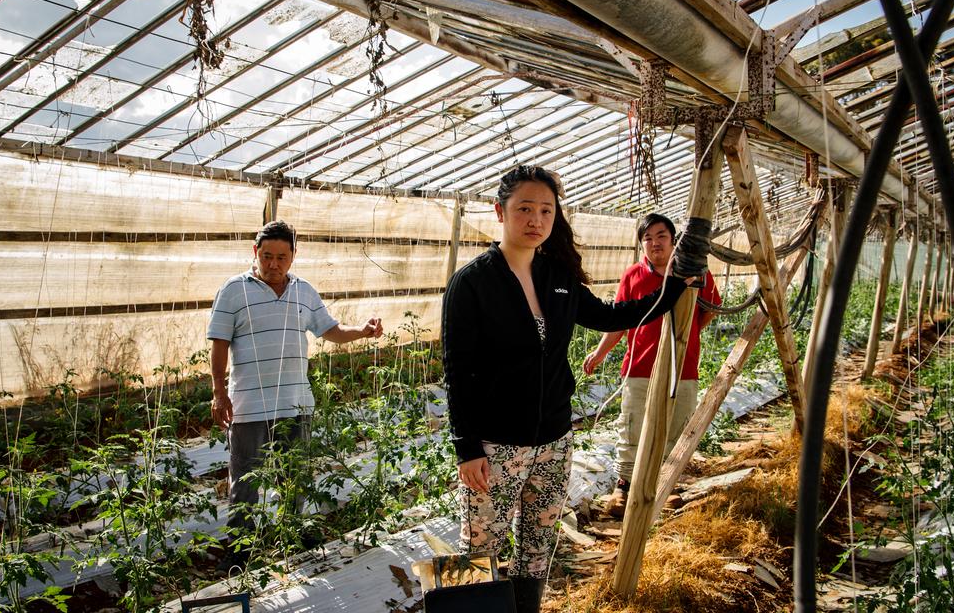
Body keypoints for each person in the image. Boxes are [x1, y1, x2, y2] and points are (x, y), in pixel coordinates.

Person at [441, 166, 693, 613]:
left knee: (537, 547)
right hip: (497, 445)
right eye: (524, 209)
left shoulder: (557, 276)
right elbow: (458, 370)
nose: (535, 219)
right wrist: (466, 447)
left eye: (545, 210)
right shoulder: (473, 282)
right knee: (480, 548)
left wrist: (673, 288)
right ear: (499, 212)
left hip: (555, 440)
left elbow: (612, 317)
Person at [207, 220, 383, 561]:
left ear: (293, 256)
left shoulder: (303, 291)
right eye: (267, 256)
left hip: (295, 402)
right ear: (255, 253)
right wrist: (218, 391)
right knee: (245, 480)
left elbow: (329, 330)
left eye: (282, 257)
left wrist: (362, 331)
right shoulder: (233, 290)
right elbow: (219, 344)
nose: (274, 264)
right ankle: (240, 552)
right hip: (249, 405)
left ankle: (292, 538)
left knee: (295, 477)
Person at [582, 212, 720, 516]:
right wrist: (601, 352)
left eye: (661, 236)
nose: (654, 243)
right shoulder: (634, 275)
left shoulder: (698, 273)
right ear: (642, 244)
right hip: (640, 366)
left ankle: (665, 486)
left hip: (683, 369)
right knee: (631, 426)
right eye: (647, 238)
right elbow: (619, 320)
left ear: (673, 240)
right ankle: (624, 487)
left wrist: (688, 335)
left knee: (675, 426)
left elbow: (709, 310)